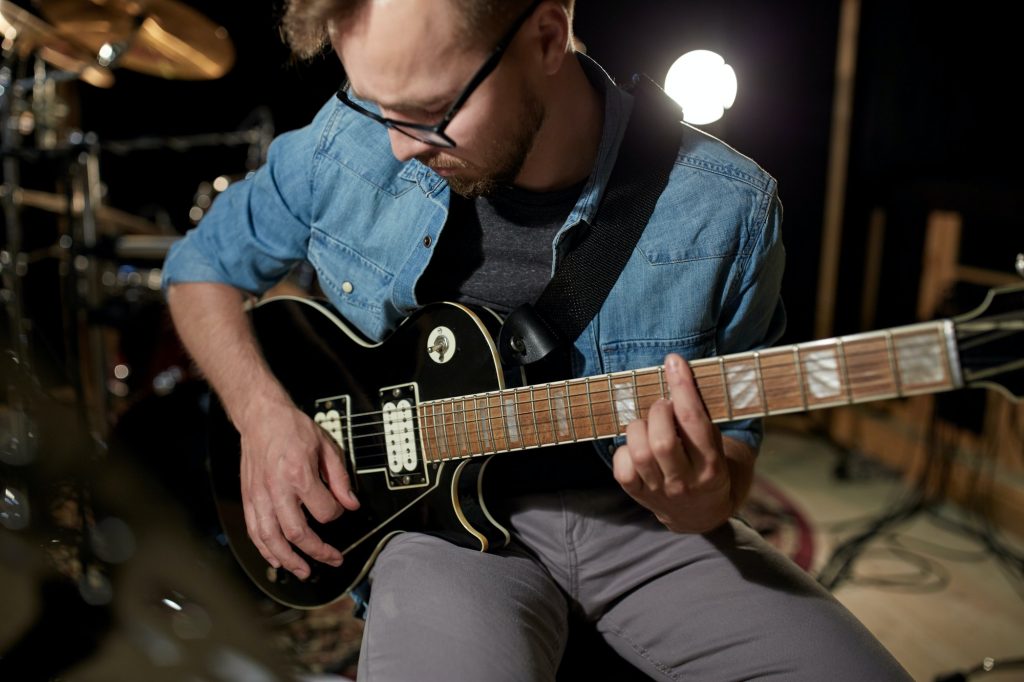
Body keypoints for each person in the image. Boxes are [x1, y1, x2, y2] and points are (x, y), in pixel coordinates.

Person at [161, 0, 912, 679]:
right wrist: (260, 414)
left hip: (636, 527)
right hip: (438, 535)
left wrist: (703, 493)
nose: (395, 149)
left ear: (547, 35)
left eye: (427, 110)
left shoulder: (727, 209)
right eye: (378, 105)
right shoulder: (348, 141)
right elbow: (199, 269)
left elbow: (732, 449)